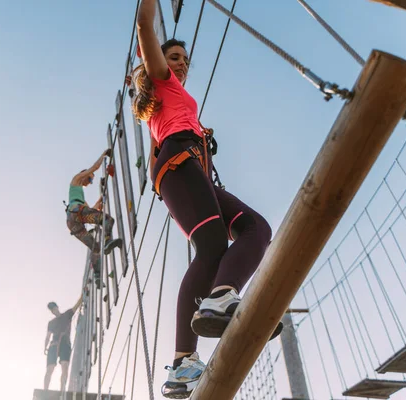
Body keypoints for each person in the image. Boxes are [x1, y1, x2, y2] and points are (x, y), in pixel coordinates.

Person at [133, 1, 283, 398]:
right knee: (212, 244)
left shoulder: (180, 98)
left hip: (195, 171)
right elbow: (144, 25)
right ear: (160, 62)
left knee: (257, 229)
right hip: (178, 163)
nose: (181, 64)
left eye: (185, 59)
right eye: (174, 57)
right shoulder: (162, 82)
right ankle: (187, 354)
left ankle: (219, 298)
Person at [67, 149, 122, 272]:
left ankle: (97, 276)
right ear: (84, 174)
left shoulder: (79, 199)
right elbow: (95, 167)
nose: (90, 183)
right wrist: (104, 154)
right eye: (90, 179)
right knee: (108, 220)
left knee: (95, 248)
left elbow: (92, 210)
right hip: (76, 212)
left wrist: (102, 197)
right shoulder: (76, 180)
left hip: (73, 222)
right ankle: (108, 240)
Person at [43, 296, 83, 392]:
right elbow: (48, 336)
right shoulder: (51, 322)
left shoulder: (67, 314)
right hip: (54, 345)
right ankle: (45, 390)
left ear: (57, 307)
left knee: (65, 367)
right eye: (52, 310)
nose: (53, 310)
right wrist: (45, 347)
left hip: (65, 344)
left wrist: (83, 294)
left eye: (54, 308)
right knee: (50, 369)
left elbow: (77, 305)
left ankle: (62, 390)